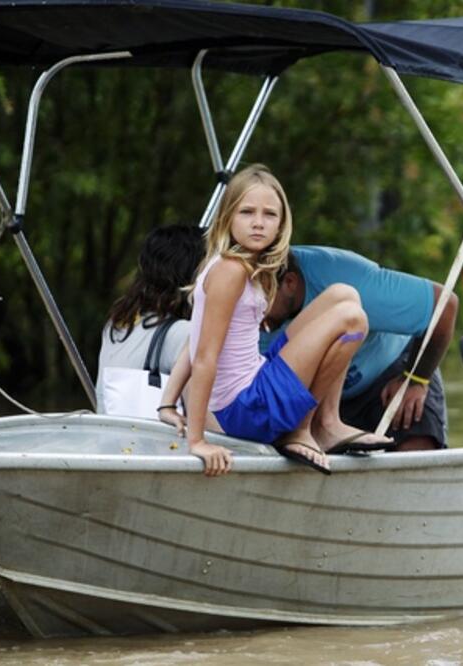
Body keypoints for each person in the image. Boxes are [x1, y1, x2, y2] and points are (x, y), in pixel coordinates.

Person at [157, 164, 390, 477]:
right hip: (244, 410)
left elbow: (194, 337)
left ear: (281, 224)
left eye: (269, 215)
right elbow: (204, 356)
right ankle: (304, 429)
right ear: (227, 217)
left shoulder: (232, 264)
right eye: (247, 212)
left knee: (342, 294)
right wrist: (197, 440)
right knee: (352, 319)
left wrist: (167, 403)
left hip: (252, 387)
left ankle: (329, 421)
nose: (258, 223)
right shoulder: (232, 271)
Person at [262, 246, 458, 452]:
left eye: (261, 297)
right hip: (313, 393)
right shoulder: (237, 296)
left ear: (290, 284)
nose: (253, 310)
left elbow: (444, 306)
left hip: (386, 372)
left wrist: (416, 379)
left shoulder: (347, 277)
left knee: (416, 438)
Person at [95, 224, 204, 414]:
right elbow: (204, 418)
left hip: (111, 438)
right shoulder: (184, 333)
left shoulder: (117, 325)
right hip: (159, 441)